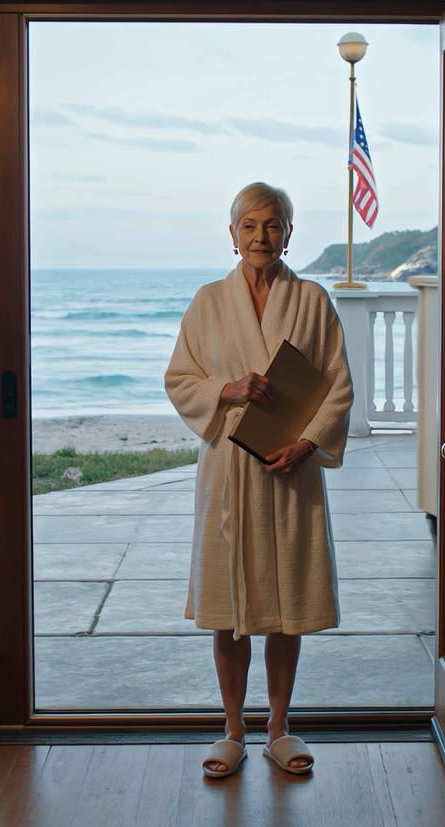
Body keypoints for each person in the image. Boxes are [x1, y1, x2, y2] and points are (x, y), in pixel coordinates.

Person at [165, 182, 353, 778]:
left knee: (285, 604)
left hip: (289, 470)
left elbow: (338, 384)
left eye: (272, 226)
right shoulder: (207, 302)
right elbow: (179, 378)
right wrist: (229, 387)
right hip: (228, 470)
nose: (260, 238)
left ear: (289, 234)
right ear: (232, 234)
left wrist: (307, 443)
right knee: (228, 605)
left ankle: (278, 726)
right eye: (249, 226)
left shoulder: (313, 301)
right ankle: (232, 729)